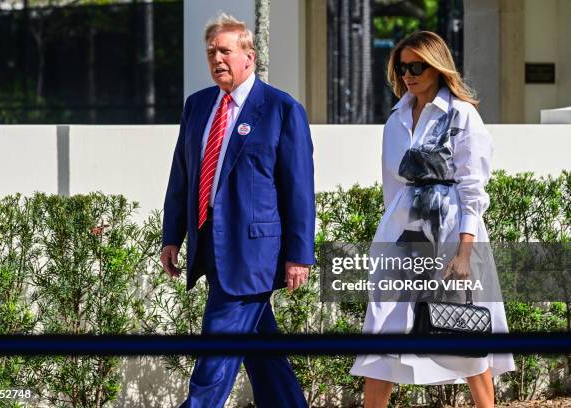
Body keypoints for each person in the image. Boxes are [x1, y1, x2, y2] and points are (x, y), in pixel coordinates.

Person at [350, 31, 515, 408]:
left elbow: (473, 187)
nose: (408, 74)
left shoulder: (461, 114)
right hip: (401, 236)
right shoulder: (395, 120)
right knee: (382, 330)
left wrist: (463, 252)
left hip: (451, 233)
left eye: (416, 66)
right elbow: (391, 186)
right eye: (402, 66)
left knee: (459, 324)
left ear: (437, 66)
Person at [160, 12, 314, 408]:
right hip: (210, 244)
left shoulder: (281, 108)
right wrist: (171, 236)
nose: (217, 59)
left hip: (254, 253)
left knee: (217, 352)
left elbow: (298, 188)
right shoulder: (197, 107)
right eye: (211, 52)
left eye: (226, 51)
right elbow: (183, 176)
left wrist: (299, 254)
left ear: (249, 55)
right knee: (264, 353)